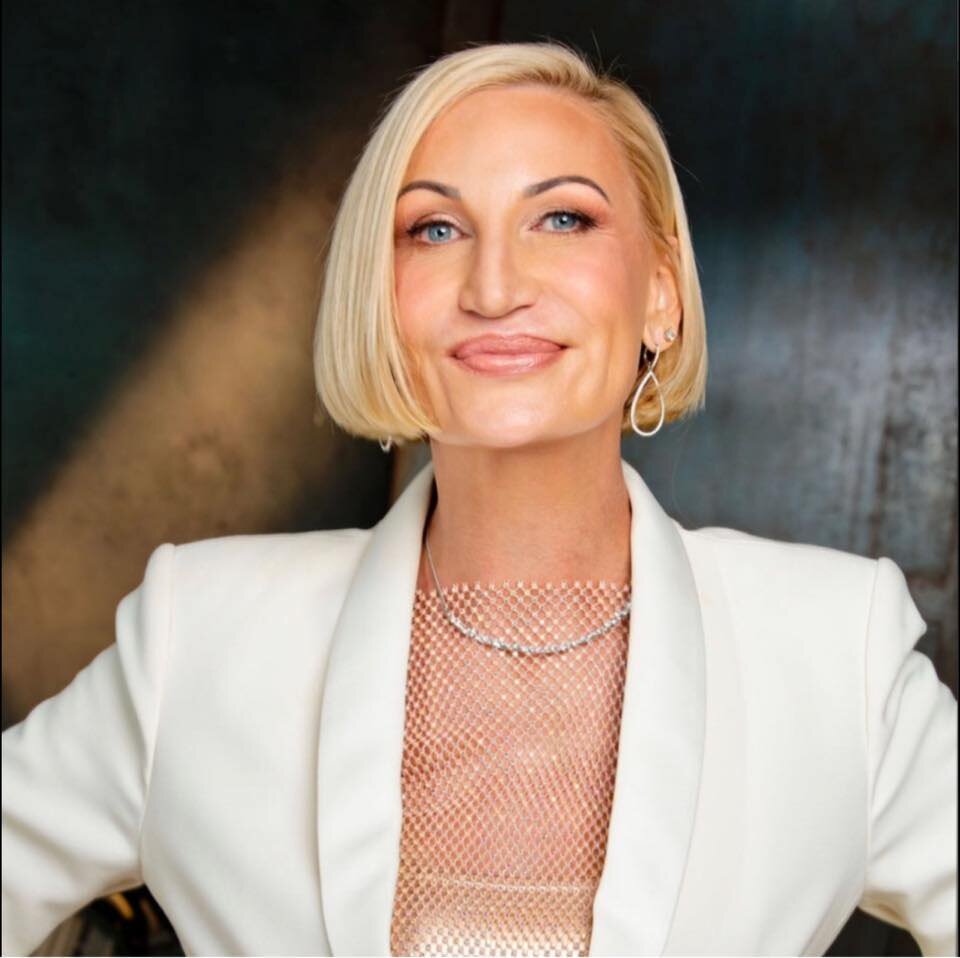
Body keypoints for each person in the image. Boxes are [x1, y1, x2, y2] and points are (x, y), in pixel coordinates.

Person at [2, 40, 956, 958]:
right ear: (381, 297)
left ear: (661, 291)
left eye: (564, 220)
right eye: (435, 229)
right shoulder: (199, 635)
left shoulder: (835, 648)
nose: (495, 288)